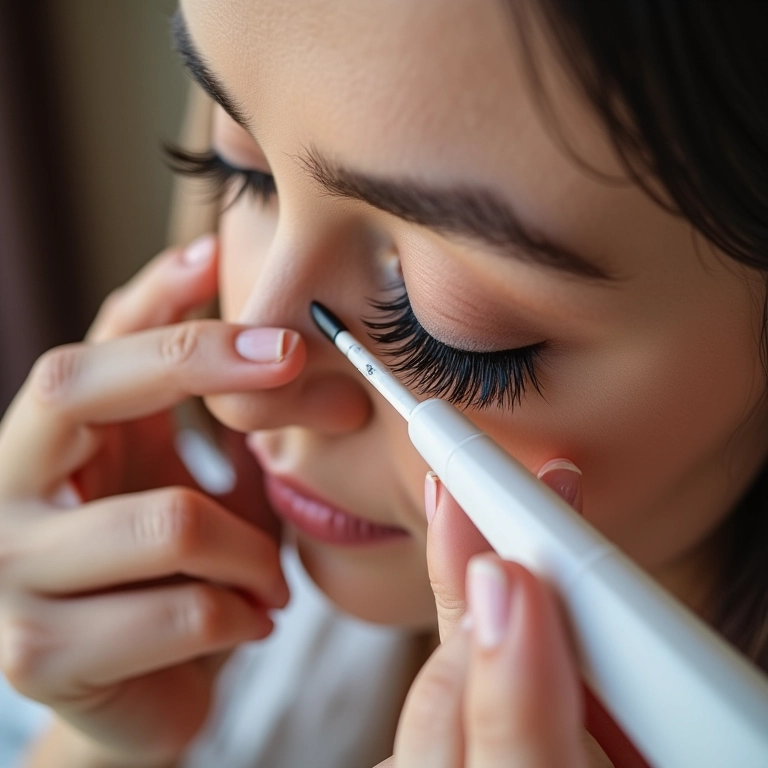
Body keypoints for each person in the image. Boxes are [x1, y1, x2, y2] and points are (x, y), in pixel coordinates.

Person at [1, 0, 766, 766]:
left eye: (446, 323)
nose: (240, 397)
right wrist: (100, 746)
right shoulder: (180, 548)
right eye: (244, 172)